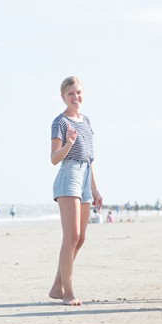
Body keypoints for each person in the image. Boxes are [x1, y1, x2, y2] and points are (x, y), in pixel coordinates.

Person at [49, 76, 103, 306]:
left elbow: (90, 159)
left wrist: (95, 189)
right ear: (63, 97)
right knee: (70, 236)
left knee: (80, 238)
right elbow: (54, 158)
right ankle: (67, 293)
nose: (75, 97)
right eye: (70, 93)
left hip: (85, 177)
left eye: (78, 92)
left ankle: (56, 286)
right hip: (69, 176)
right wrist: (69, 144)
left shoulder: (87, 120)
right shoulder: (59, 122)